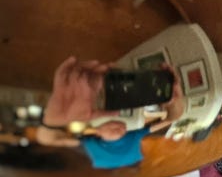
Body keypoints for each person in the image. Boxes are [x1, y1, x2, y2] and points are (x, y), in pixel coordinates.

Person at [37, 56, 185, 169]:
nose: (119, 129)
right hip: (133, 167)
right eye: (121, 130)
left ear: (98, 132)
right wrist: (174, 102)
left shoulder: (88, 143)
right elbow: (174, 118)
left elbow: (46, 139)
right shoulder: (133, 136)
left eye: (114, 129)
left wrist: (52, 123)